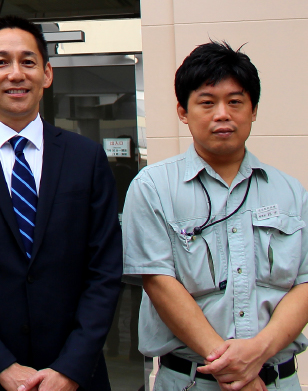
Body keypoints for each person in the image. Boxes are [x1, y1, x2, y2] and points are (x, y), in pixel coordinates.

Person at [0, 16, 123, 391]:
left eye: (28, 62)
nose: (16, 74)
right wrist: (0, 366)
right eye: (1, 62)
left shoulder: (86, 158)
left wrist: (71, 368)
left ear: (47, 74)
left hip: (74, 376)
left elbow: (105, 271)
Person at [123, 42, 308, 391]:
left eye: (235, 102)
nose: (222, 114)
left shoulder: (290, 191)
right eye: (207, 102)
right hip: (192, 380)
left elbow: (305, 283)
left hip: (278, 381)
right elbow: (159, 283)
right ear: (183, 111)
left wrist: (256, 354)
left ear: (253, 110)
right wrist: (232, 370)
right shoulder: (153, 187)